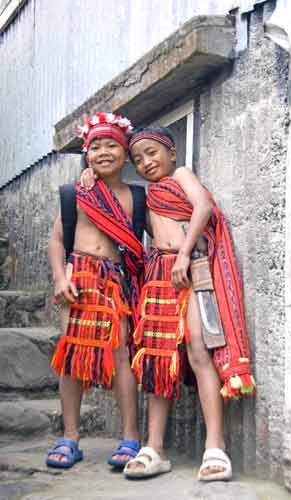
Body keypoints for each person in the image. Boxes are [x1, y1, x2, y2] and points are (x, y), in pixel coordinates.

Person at [121, 127, 255, 481]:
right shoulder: (147, 196)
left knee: (199, 350)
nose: (146, 162)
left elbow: (204, 207)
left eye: (152, 153)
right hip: (159, 273)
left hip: (190, 267)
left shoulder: (181, 175)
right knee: (157, 358)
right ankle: (155, 448)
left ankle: (215, 446)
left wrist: (182, 254)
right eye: (137, 159)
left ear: (172, 153)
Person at [46, 112, 146, 469]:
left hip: (117, 283)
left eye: (112, 145)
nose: (104, 152)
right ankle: (70, 437)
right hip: (80, 279)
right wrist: (61, 278)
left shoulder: (138, 196)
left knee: (121, 356)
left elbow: (157, 233)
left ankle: (130, 436)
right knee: (72, 358)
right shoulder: (77, 193)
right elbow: (57, 240)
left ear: (125, 152)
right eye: (96, 146)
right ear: (87, 154)